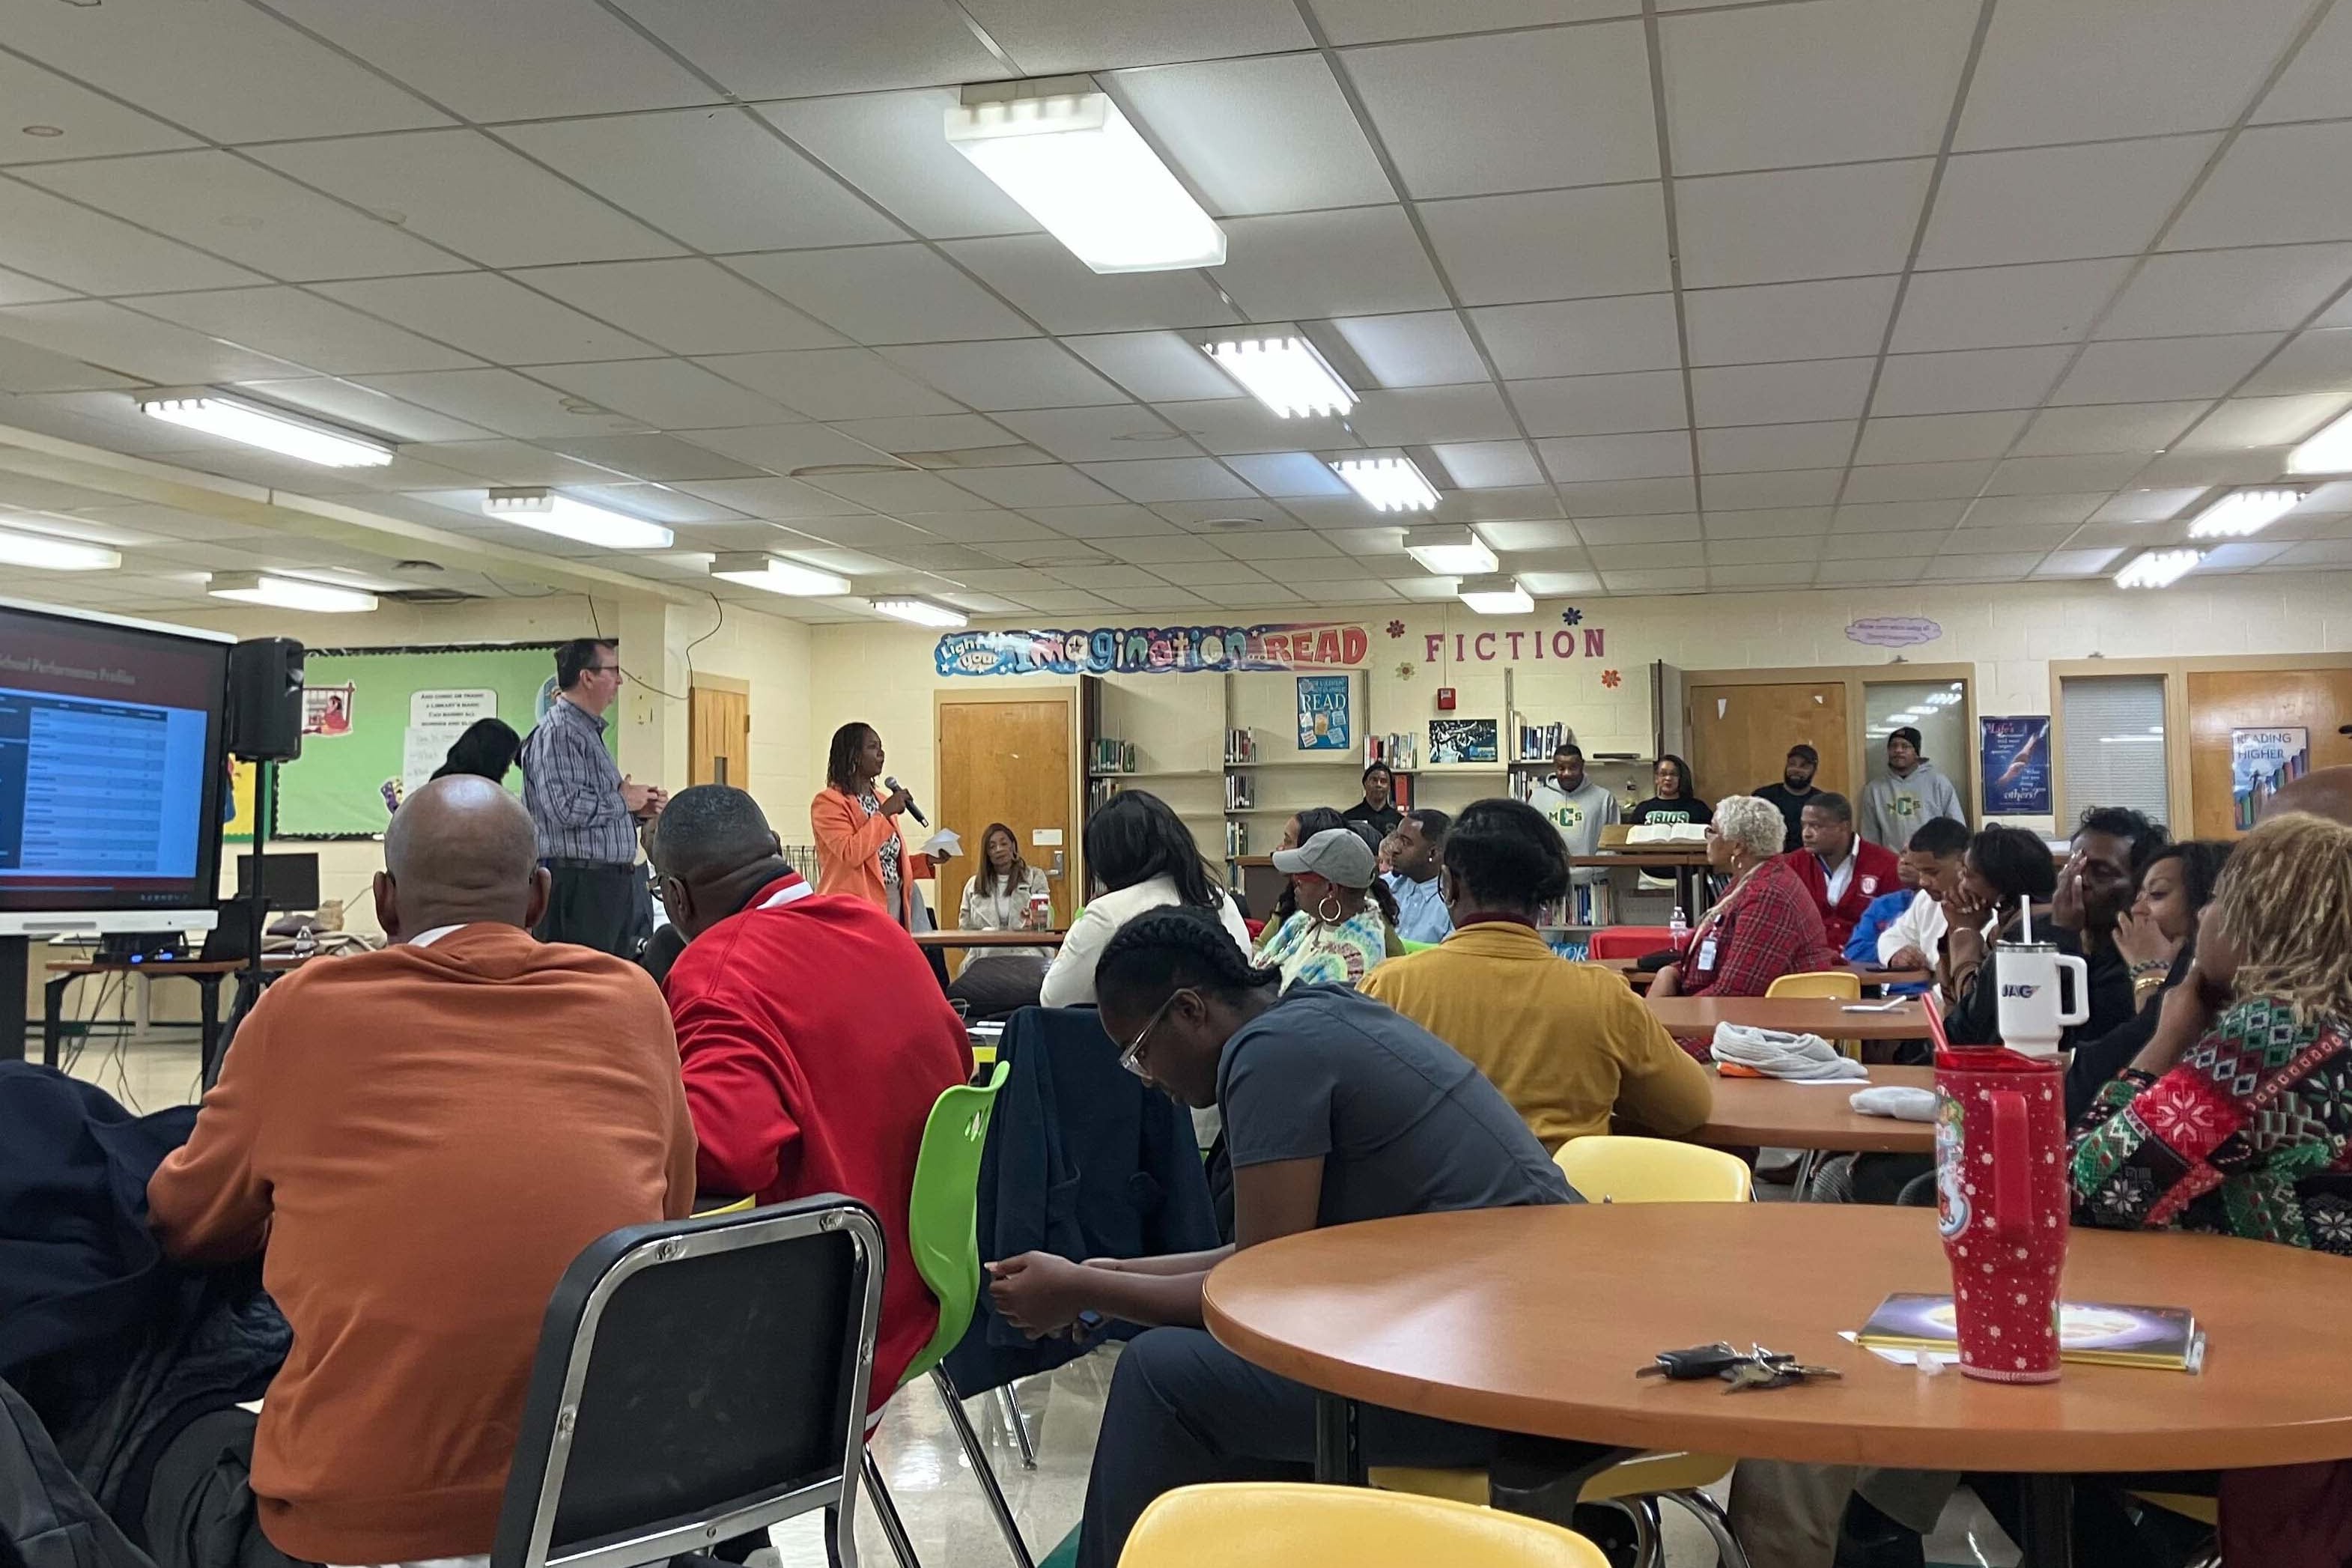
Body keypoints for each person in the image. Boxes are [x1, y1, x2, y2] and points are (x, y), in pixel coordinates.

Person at [143, 777, 694, 1568]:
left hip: (358, 1525)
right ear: (539, 898)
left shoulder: (304, 1010)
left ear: (384, 903)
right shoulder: (632, 1000)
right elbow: (661, 1222)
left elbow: (183, 1221)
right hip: (604, 1509)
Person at [983, 906, 1578, 1568]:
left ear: (1189, 1011)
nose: (1146, 1078)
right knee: (1197, 1365)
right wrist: (1105, 1276)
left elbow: (1261, 1293)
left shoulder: (1267, 1058)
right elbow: (1263, 1259)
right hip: (1524, 1348)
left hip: (1503, 1386)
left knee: (1160, 1375)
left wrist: (1086, 1288)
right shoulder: (1313, 1013)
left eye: (1139, 1053)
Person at [652, 784, 971, 1411]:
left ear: (676, 898)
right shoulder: (880, 934)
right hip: (925, 1294)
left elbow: (725, 1154)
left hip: (827, 1333)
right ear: (775, 850)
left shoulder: (720, 971)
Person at [1363, 797, 1711, 1150]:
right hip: (1561, 1195)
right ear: (1546, 896)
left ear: (1449, 886)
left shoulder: (1389, 988)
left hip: (1430, 1198)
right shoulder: (1605, 997)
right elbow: (1688, 1109)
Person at [2064, 839, 2232, 1120]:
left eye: (2156, 894)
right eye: (2138, 896)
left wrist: (2149, 977)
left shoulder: (2207, 984)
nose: (2137, 910)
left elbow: (2087, 1097)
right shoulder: (2114, 960)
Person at [518, 637, 666, 957]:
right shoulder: (560, 733)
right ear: (587, 677)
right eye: (612, 671)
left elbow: (591, 808)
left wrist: (638, 810)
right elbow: (565, 808)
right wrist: (624, 801)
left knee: (609, 980)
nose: (620, 680)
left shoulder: (585, 732)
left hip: (602, 884)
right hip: (578, 885)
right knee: (581, 983)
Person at [1040, 789, 1251, 1008]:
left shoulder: (1107, 912)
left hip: (1135, 1040)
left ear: (1105, 858)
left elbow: (1054, 998)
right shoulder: (1219, 899)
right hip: (1224, 1035)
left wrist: (1080, 927)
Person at [1651, 794, 1839, 1008]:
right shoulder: (1749, 879)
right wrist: (1672, 973)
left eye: (1712, 831)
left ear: (1738, 846)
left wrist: (1667, 1015)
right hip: (1716, 1013)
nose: (1707, 839)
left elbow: (1734, 995)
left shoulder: (1768, 895)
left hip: (1750, 1030)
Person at [810, 721, 942, 932]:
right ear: (854, 755)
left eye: (881, 747)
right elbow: (851, 853)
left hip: (894, 900)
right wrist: (884, 814)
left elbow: (886, 861)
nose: (881, 754)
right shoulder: (829, 803)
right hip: (854, 907)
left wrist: (927, 860)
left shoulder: (881, 799)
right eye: (872, 747)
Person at [1255, 827, 1396, 988]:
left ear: (1330, 889)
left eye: (1302, 874)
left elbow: (1305, 1011)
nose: (1294, 880)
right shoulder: (1305, 921)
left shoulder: (1350, 965)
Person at [948, 822, 1057, 1018]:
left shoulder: (1034, 877)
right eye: (992, 846)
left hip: (1027, 953)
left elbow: (1046, 921)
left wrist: (1034, 921)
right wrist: (985, 936)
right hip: (986, 956)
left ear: (1013, 846)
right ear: (987, 854)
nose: (999, 849)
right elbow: (964, 933)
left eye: (1003, 843)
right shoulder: (973, 885)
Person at [1782, 791, 1901, 952]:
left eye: (1816, 826)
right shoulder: (1791, 865)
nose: (1806, 833)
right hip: (1810, 964)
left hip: (1869, 966)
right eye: (1804, 825)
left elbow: (1899, 926)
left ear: (1844, 826)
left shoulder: (1887, 864)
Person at [1858, 815, 1972, 977]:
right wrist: (1897, 953)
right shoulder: (1926, 900)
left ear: (1965, 862)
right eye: (1920, 872)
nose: (1923, 882)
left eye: (1932, 872)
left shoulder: (1988, 908)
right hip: (1931, 998)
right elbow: (1892, 936)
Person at [1525, 741, 1620, 890]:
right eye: (1561, 768)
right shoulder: (1537, 798)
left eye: (1573, 767)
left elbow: (1613, 844)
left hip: (1593, 884)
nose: (1567, 773)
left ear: (1582, 765)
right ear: (1554, 767)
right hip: (1551, 882)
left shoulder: (1604, 798)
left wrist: (1594, 870)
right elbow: (1531, 841)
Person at [1858, 726, 1965, 850]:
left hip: (1931, 864)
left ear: (1917, 751)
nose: (1898, 750)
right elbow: (1870, 836)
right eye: (1893, 746)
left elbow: (1957, 828)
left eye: (1905, 746)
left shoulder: (1938, 783)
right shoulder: (1874, 789)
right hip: (1893, 864)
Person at [1382, 807, 1453, 944]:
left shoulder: (1453, 904)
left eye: (1406, 842)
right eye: (1397, 838)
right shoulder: (1382, 888)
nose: (1395, 849)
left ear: (1433, 853)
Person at [1754, 744, 1823, 854]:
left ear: (1814, 771)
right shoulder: (1763, 798)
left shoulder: (1822, 802)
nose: (1796, 770)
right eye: (1792, 764)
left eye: (1803, 766)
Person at [1626, 754, 1711, 826]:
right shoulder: (1643, 809)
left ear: (1680, 778)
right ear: (1656, 778)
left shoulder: (1698, 809)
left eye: (1673, 774)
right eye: (1663, 774)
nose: (1668, 778)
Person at [431, 717, 522, 784]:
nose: (507, 771)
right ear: (494, 761)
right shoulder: (484, 794)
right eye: (506, 763)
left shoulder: (438, 783)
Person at [1343, 761, 1403, 841]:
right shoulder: (1349, 818)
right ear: (1365, 784)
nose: (1378, 785)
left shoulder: (1400, 821)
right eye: (1374, 780)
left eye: (1383, 781)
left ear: (1389, 787)